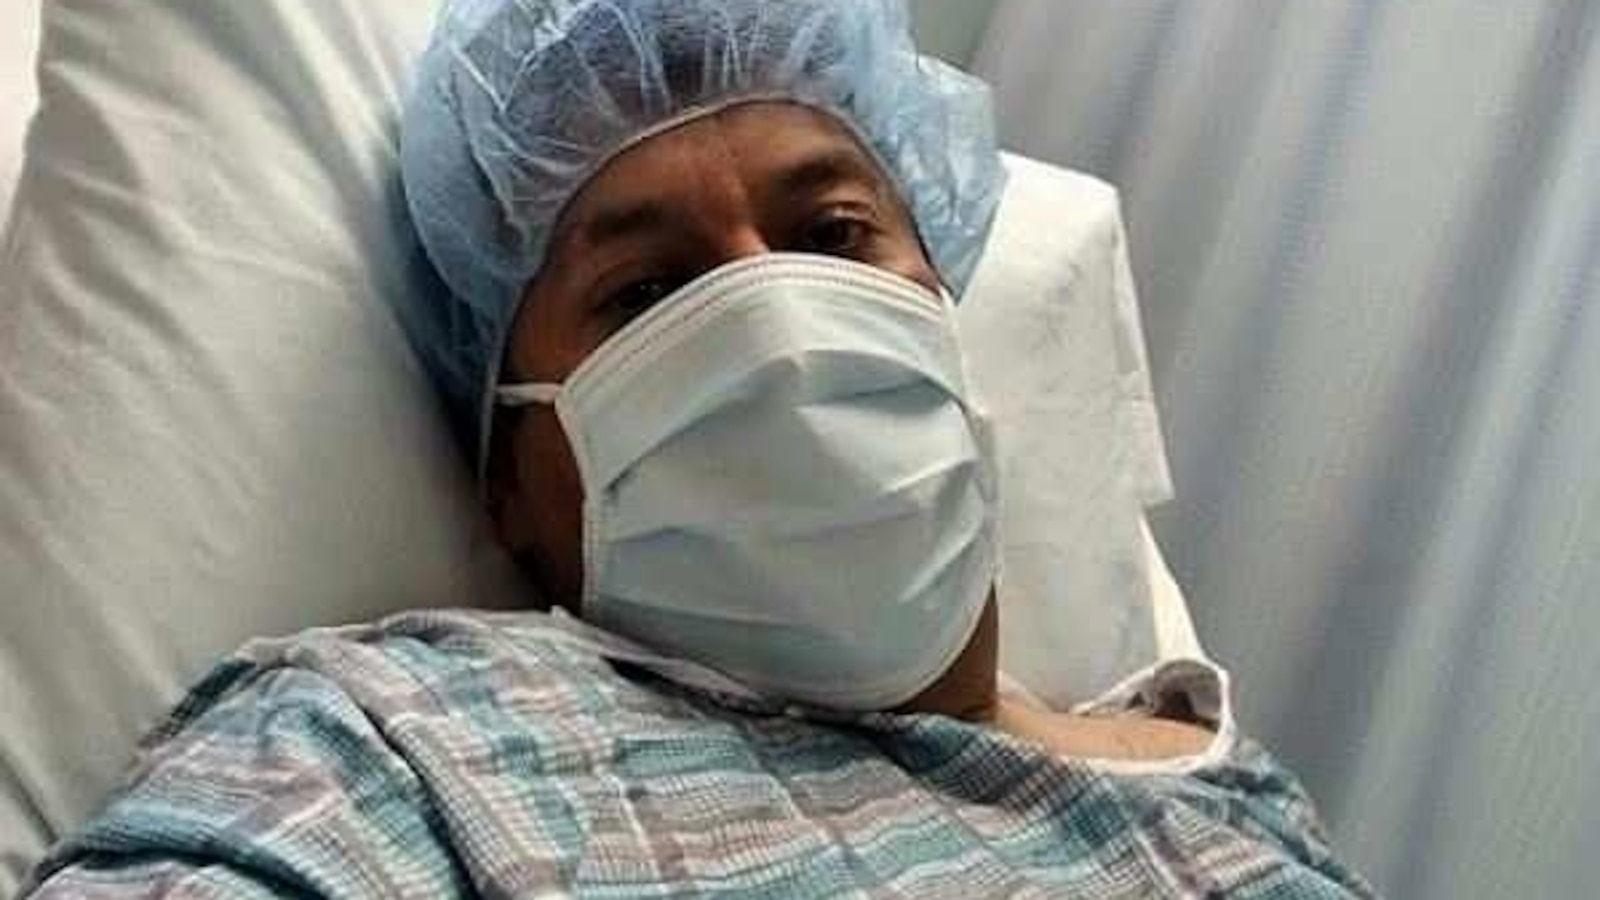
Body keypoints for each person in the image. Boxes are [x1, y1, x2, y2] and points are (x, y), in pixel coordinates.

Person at [21, 0, 1372, 896]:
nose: (775, 322)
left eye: (832, 235)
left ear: (947, 320)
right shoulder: (401, 750)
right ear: (515, 477)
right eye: (647, 292)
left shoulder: (1232, 801)